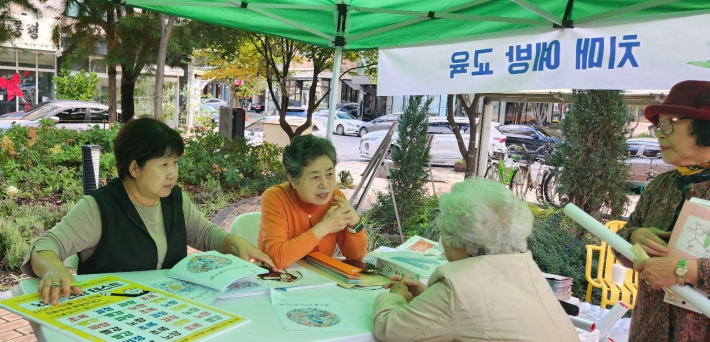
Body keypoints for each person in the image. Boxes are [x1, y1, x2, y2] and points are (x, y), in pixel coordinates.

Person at [22, 117, 275, 305]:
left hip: (168, 312)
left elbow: (205, 233)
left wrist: (234, 242)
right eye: (163, 164)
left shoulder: (174, 199)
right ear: (134, 168)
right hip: (113, 314)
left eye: (175, 162)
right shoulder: (100, 207)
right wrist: (55, 269)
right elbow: (46, 246)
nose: (173, 173)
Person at [371, 178, 577, 342]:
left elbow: (389, 330)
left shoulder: (455, 289)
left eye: (443, 233)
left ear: (460, 247)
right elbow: (478, 313)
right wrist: (427, 297)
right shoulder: (526, 270)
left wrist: (395, 297)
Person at [612, 80, 710, 342]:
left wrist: (687, 271)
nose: (659, 134)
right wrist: (633, 238)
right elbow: (622, 242)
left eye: (670, 124)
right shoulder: (660, 185)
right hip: (649, 328)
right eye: (658, 125)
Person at [258, 134, 367, 270]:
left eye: (329, 174)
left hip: (321, 283)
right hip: (279, 284)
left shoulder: (335, 197)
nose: (325, 184)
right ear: (293, 180)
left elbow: (355, 258)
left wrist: (355, 223)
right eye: (315, 177)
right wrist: (325, 226)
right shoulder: (275, 198)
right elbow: (277, 259)